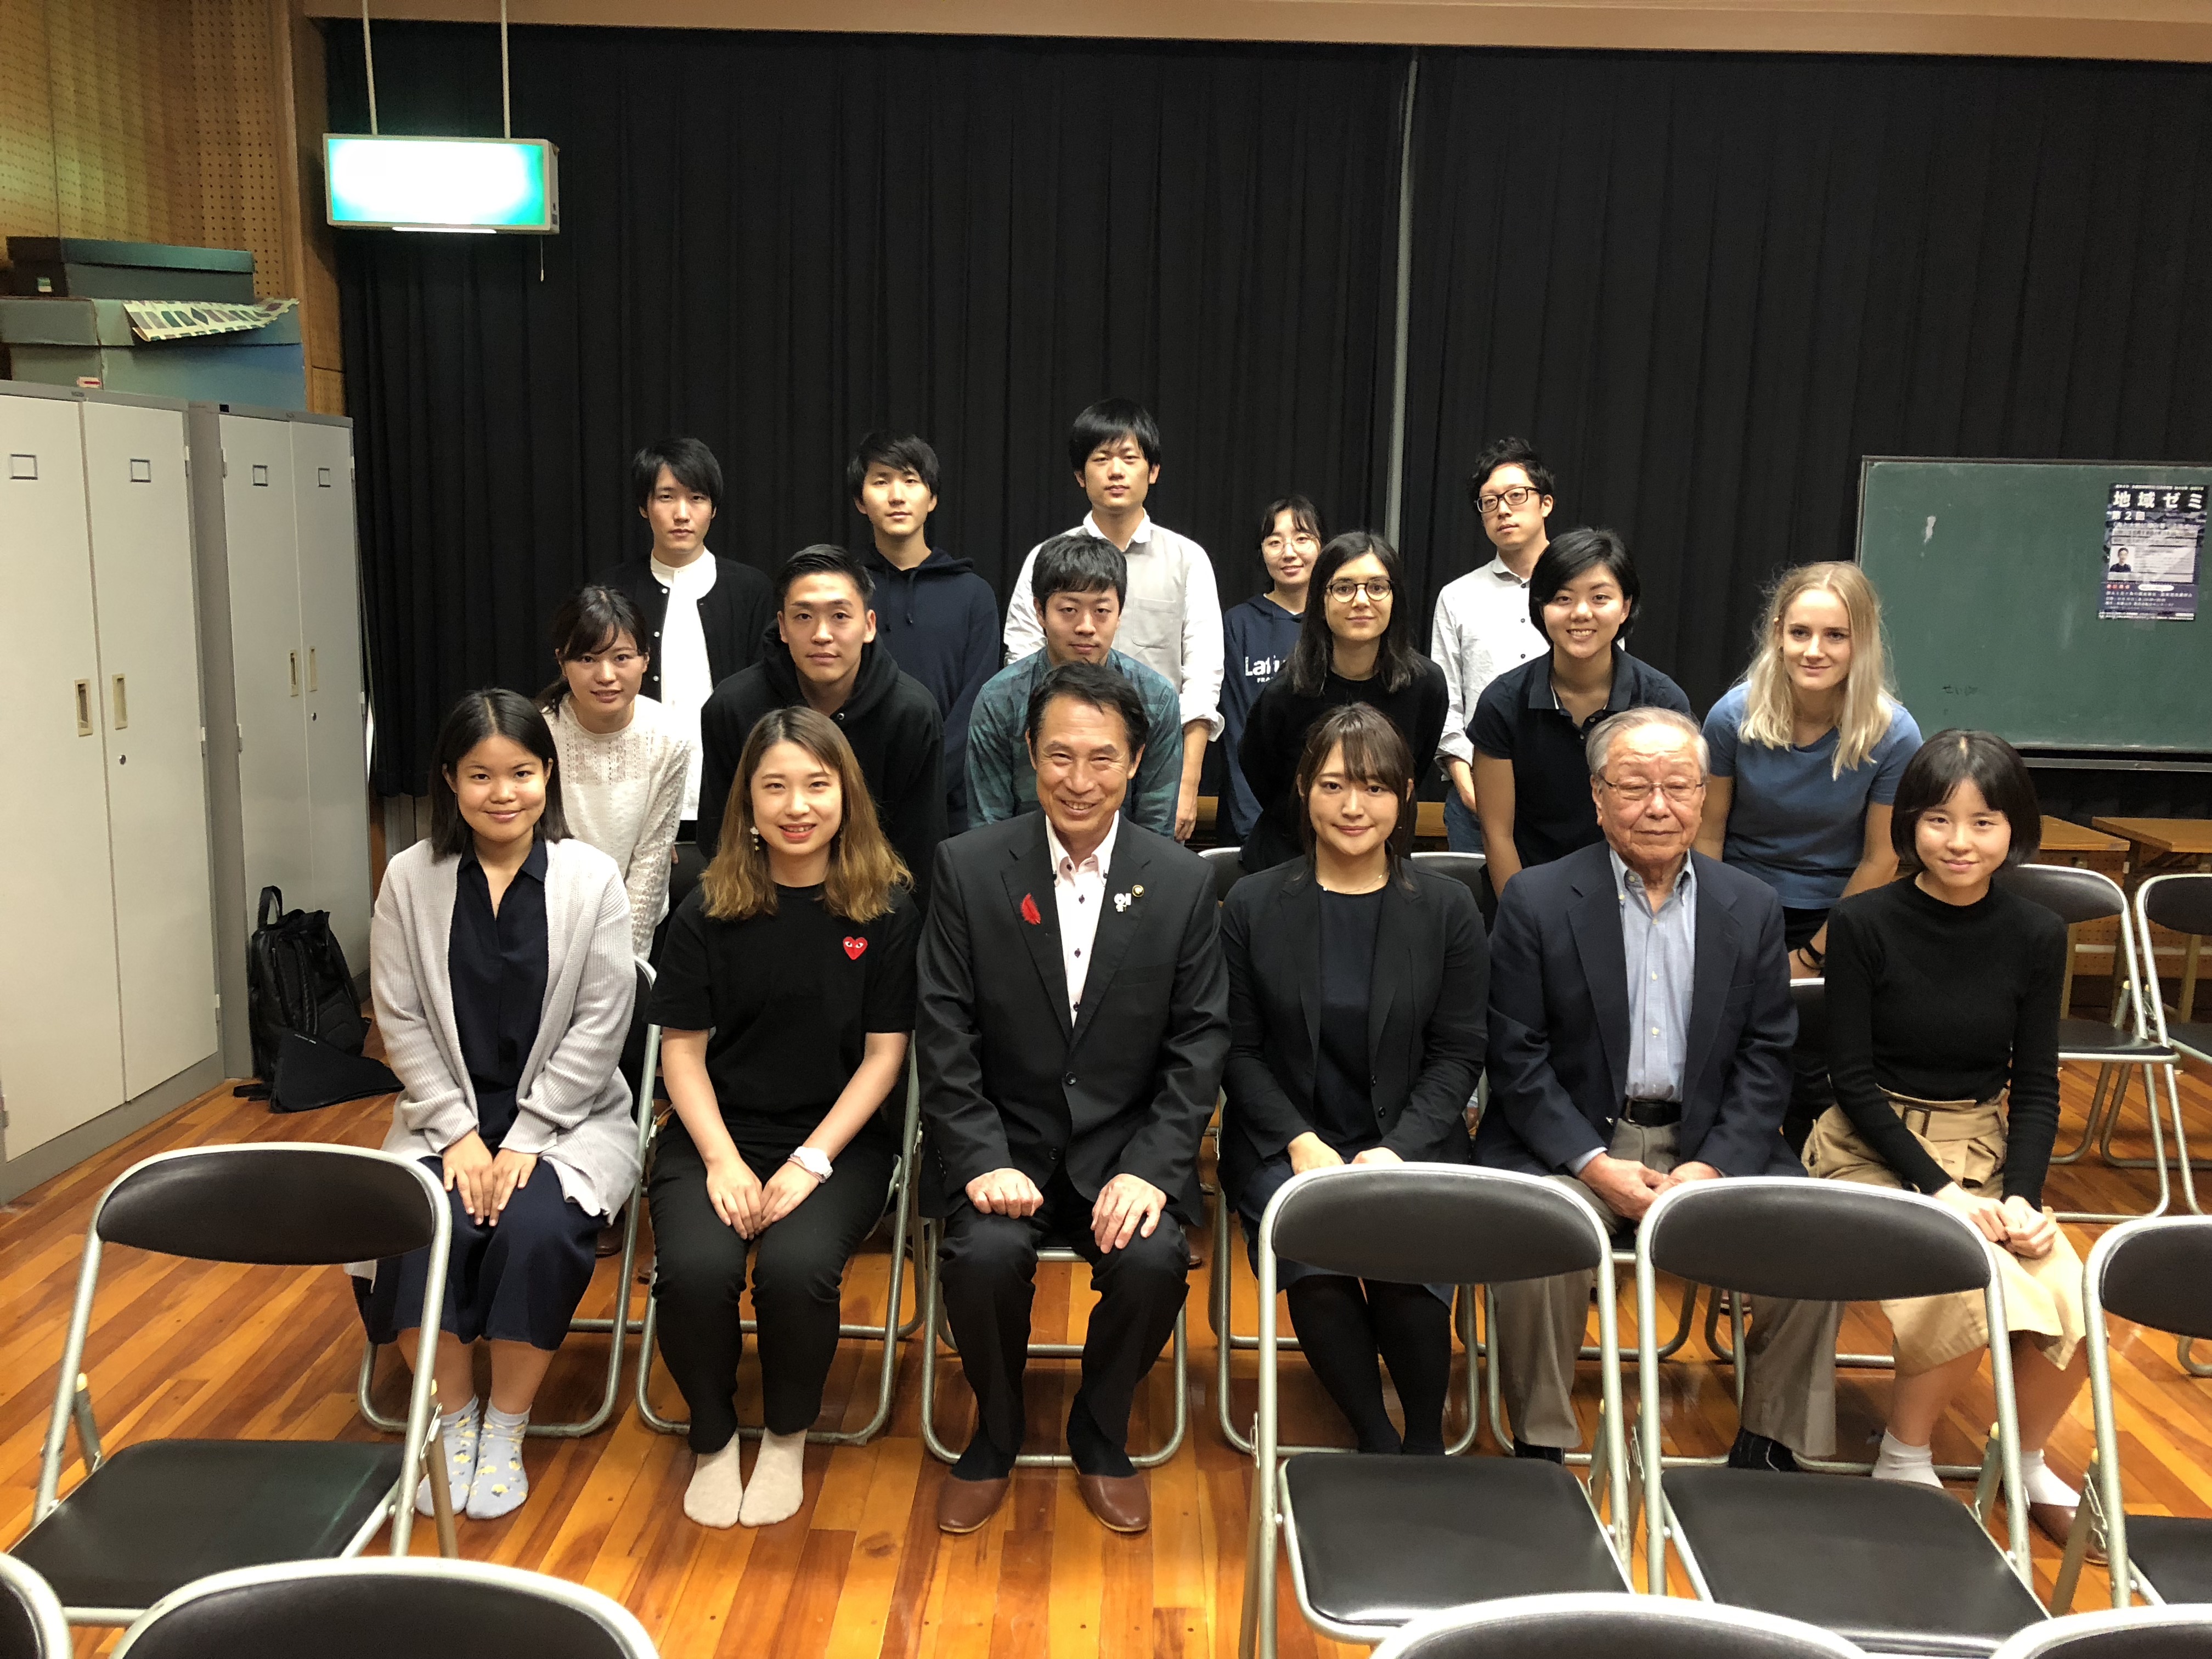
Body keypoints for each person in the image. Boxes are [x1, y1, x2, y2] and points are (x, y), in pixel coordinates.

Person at [1475, 706, 1840, 1472]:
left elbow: (1768, 1057)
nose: (1659, 806)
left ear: (1704, 797)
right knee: (1540, 1230)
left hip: (1709, 1140)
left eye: (1678, 785)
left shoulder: (1751, 906)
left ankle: (1770, 1446)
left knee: (1816, 1238)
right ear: (1598, 796)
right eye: (1635, 786)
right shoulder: (1536, 902)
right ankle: (1542, 1442)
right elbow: (1518, 1058)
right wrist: (1591, 1163)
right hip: (1573, 1140)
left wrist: (1710, 1169)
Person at [917, 661, 1228, 1537]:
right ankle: (997, 1429)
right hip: (1004, 1150)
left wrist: (1154, 1171)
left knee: (1155, 1262)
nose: (1079, 781)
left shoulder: (1181, 882)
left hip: (1125, 1155)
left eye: (1102, 759)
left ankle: (1100, 1429)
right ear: (1028, 755)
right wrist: (979, 1159)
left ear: (1136, 762)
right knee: (980, 1258)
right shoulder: (969, 868)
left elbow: (1198, 1043)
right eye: (1059, 756)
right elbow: (945, 1035)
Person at [358, 689, 638, 1523]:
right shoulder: (410, 878)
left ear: (547, 775)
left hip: (569, 1121)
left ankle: (507, 1426)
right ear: (450, 781)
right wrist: (456, 1135)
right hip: (442, 1119)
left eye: (521, 772)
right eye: (480, 775)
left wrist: (527, 1138)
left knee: (536, 1227)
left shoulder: (592, 880)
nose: (503, 792)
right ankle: (453, 1420)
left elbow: (603, 1021)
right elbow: (399, 1016)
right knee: (417, 1226)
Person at [1808, 730, 2087, 1546]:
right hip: (1869, 1148)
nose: (1959, 842)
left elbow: (2036, 1084)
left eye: (1984, 822)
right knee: (1963, 1280)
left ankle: (2027, 1457)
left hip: (1983, 1148)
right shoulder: (1863, 922)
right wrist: (1942, 1194)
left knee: (2069, 1289)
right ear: (1910, 827)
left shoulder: (2038, 933)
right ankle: (1905, 1454)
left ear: (2015, 831)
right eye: (1938, 819)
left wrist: (2023, 1199)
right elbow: (1850, 1081)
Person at [648, 708, 918, 1530]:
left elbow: (885, 1057)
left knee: (796, 1269)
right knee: (695, 1270)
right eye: (775, 787)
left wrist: (811, 1162)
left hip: (838, 1142)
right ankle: (714, 1434)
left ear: (847, 795)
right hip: (713, 1137)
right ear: (748, 803)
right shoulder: (705, 908)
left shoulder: (888, 907)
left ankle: (788, 1435)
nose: (797, 805)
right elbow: (683, 1054)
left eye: (816, 785)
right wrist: (725, 1162)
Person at [1220, 705, 1487, 1453]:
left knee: (1406, 1263)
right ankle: (1374, 1440)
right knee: (1317, 1254)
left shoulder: (1447, 908)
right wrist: (1300, 1142)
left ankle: (1425, 1442)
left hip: (1415, 1137)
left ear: (1404, 795)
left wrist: (1397, 1149)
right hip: (1287, 1138)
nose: (1351, 806)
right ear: (1304, 790)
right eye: (1334, 784)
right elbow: (1237, 1052)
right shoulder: (1252, 904)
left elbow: (1459, 1052)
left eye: (1372, 787)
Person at [1696, 562, 1922, 1146]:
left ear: (1862, 642)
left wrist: (1815, 955)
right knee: (1724, 1060)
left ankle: (1808, 1185)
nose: (1814, 650)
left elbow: (1881, 860)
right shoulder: (1732, 717)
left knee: (1815, 1073)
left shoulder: (1895, 734)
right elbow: (1709, 833)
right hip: (1739, 905)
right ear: (1777, 633)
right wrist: (1719, 928)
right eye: (1800, 633)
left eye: (1835, 636)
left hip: (1842, 916)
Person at [1001, 399, 1223, 840]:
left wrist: (1188, 780)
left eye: (1129, 458)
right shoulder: (1046, 558)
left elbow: (1203, 677)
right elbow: (1021, 657)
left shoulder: (1188, 559)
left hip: (1157, 767)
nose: (1116, 471)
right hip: (1069, 767)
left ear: (1153, 470)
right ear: (1081, 476)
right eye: (1101, 459)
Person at [696, 546, 946, 905]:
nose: (822, 635)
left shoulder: (910, 713)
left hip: (876, 908)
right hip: (758, 902)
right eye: (803, 617)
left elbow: (919, 851)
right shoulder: (732, 707)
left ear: (869, 625)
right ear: (782, 626)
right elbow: (721, 837)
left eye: (840, 616)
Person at [594, 438, 776, 888]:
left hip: (733, 806)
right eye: (666, 497)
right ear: (644, 507)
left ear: (712, 509)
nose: (682, 513)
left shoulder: (751, 590)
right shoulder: (612, 592)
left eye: (696, 498)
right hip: (638, 810)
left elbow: (768, 703)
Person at [1471, 528, 1692, 893]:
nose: (1581, 613)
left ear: (1625, 607)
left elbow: (1670, 824)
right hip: (1531, 890)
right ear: (1541, 608)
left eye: (1600, 597)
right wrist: (1524, 921)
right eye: (1563, 598)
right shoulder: (1503, 703)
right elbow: (1498, 835)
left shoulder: (1662, 702)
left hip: (1635, 892)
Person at [1237, 532, 1449, 873]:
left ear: (1396, 597)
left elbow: (1410, 774)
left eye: (1377, 587)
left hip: (1383, 860)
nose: (1361, 601)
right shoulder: (1285, 693)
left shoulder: (1425, 686)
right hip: (1291, 861)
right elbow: (1262, 776)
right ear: (1320, 599)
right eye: (1344, 588)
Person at [966, 533, 1184, 836]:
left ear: (1119, 613)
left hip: (1126, 870)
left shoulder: (1156, 698)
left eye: (1102, 611)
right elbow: (988, 826)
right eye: (1069, 610)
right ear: (1040, 612)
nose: (1086, 626)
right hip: (1019, 867)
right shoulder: (1000, 698)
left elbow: (1156, 827)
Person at [848, 431, 1001, 833]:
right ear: (861, 501)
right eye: (881, 481)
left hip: (948, 806)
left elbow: (977, 706)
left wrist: (926, 780)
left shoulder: (974, 594)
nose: (897, 495)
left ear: (931, 498)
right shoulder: (841, 593)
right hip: (851, 802)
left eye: (911, 480)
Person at [539, 585, 692, 959]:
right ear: (562, 662)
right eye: (588, 659)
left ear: (645, 659)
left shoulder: (670, 737)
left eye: (622, 658)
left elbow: (653, 859)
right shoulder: (538, 734)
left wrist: (625, 961)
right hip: (549, 921)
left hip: (633, 923)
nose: (606, 675)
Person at [1430, 438, 1556, 855]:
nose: (1503, 509)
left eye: (1516, 496)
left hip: (1564, 797)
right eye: (1489, 502)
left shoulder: (1586, 587)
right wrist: (1470, 788)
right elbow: (1445, 702)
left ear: (1546, 504)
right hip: (1475, 802)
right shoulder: (1457, 596)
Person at [1219, 496, 1318, 845]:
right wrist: (1251, 821)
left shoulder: (1339, 624)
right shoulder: (1238, 624)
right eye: (1275, 541)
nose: (1288, 552)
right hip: (1252, 820)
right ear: (1262, 551)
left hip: (1326, 815)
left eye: (1302, 538)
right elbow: (1236, 730)